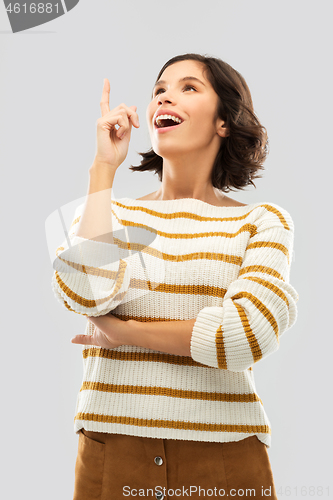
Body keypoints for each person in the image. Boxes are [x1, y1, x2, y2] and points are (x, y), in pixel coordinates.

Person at [51, 53, 299, 500]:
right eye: (159, 89)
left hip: (225, 456)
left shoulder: (262, 223)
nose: (165, 94)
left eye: (189, 87)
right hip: (113, 447)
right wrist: (103, 168)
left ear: (224, 121)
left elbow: (242, 336)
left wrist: (122, 332)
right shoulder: (112, 212)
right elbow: (86, 290)